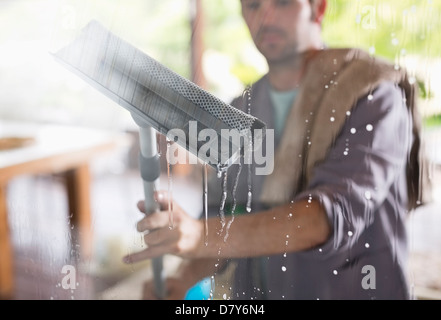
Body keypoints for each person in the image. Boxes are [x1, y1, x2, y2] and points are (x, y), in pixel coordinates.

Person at [123, 0, 427, 300]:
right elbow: (227, 216)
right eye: (253, 4)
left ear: (318, 8)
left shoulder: (373, 96)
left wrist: (198, 235)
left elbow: (330, 217)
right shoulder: (239, 111)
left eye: (282, 2)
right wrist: (183, 278)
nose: (265, 14)